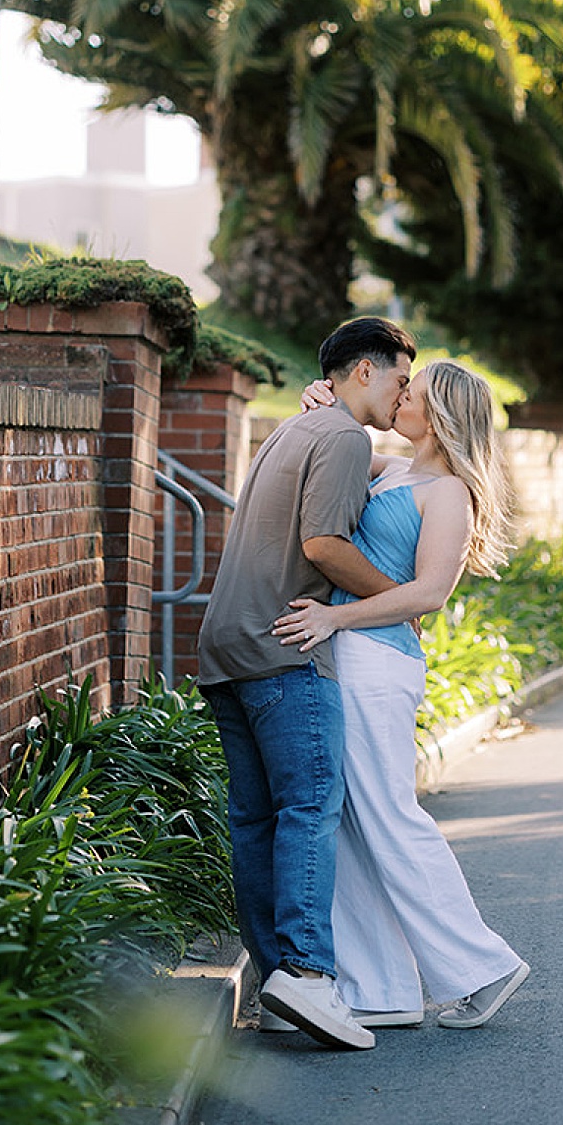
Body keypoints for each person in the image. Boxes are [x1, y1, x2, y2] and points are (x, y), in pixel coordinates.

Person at [272, 359, 530, 1030]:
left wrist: (333, 616)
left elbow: (430, 593)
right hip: (355, 661)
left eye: (411, 393)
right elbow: (328, 461)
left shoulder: (447, 492)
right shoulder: (397, 470)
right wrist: (319, 409)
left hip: (379, 664)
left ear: (439, 414)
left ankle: (485, 966)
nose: (398, 396)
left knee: (386, 815)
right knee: (353, 821)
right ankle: (381, 989)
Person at [197, 316, 416, 1051]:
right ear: (363, 372)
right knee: (310, 807)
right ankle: (309, 975)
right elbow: (323, 544)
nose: (403, 393)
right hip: (287, 647)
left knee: (256, 819)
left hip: (226, 644)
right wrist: (395, 601)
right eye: (398, 378)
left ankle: (276, 980)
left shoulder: (296, 432)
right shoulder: (346, 436)